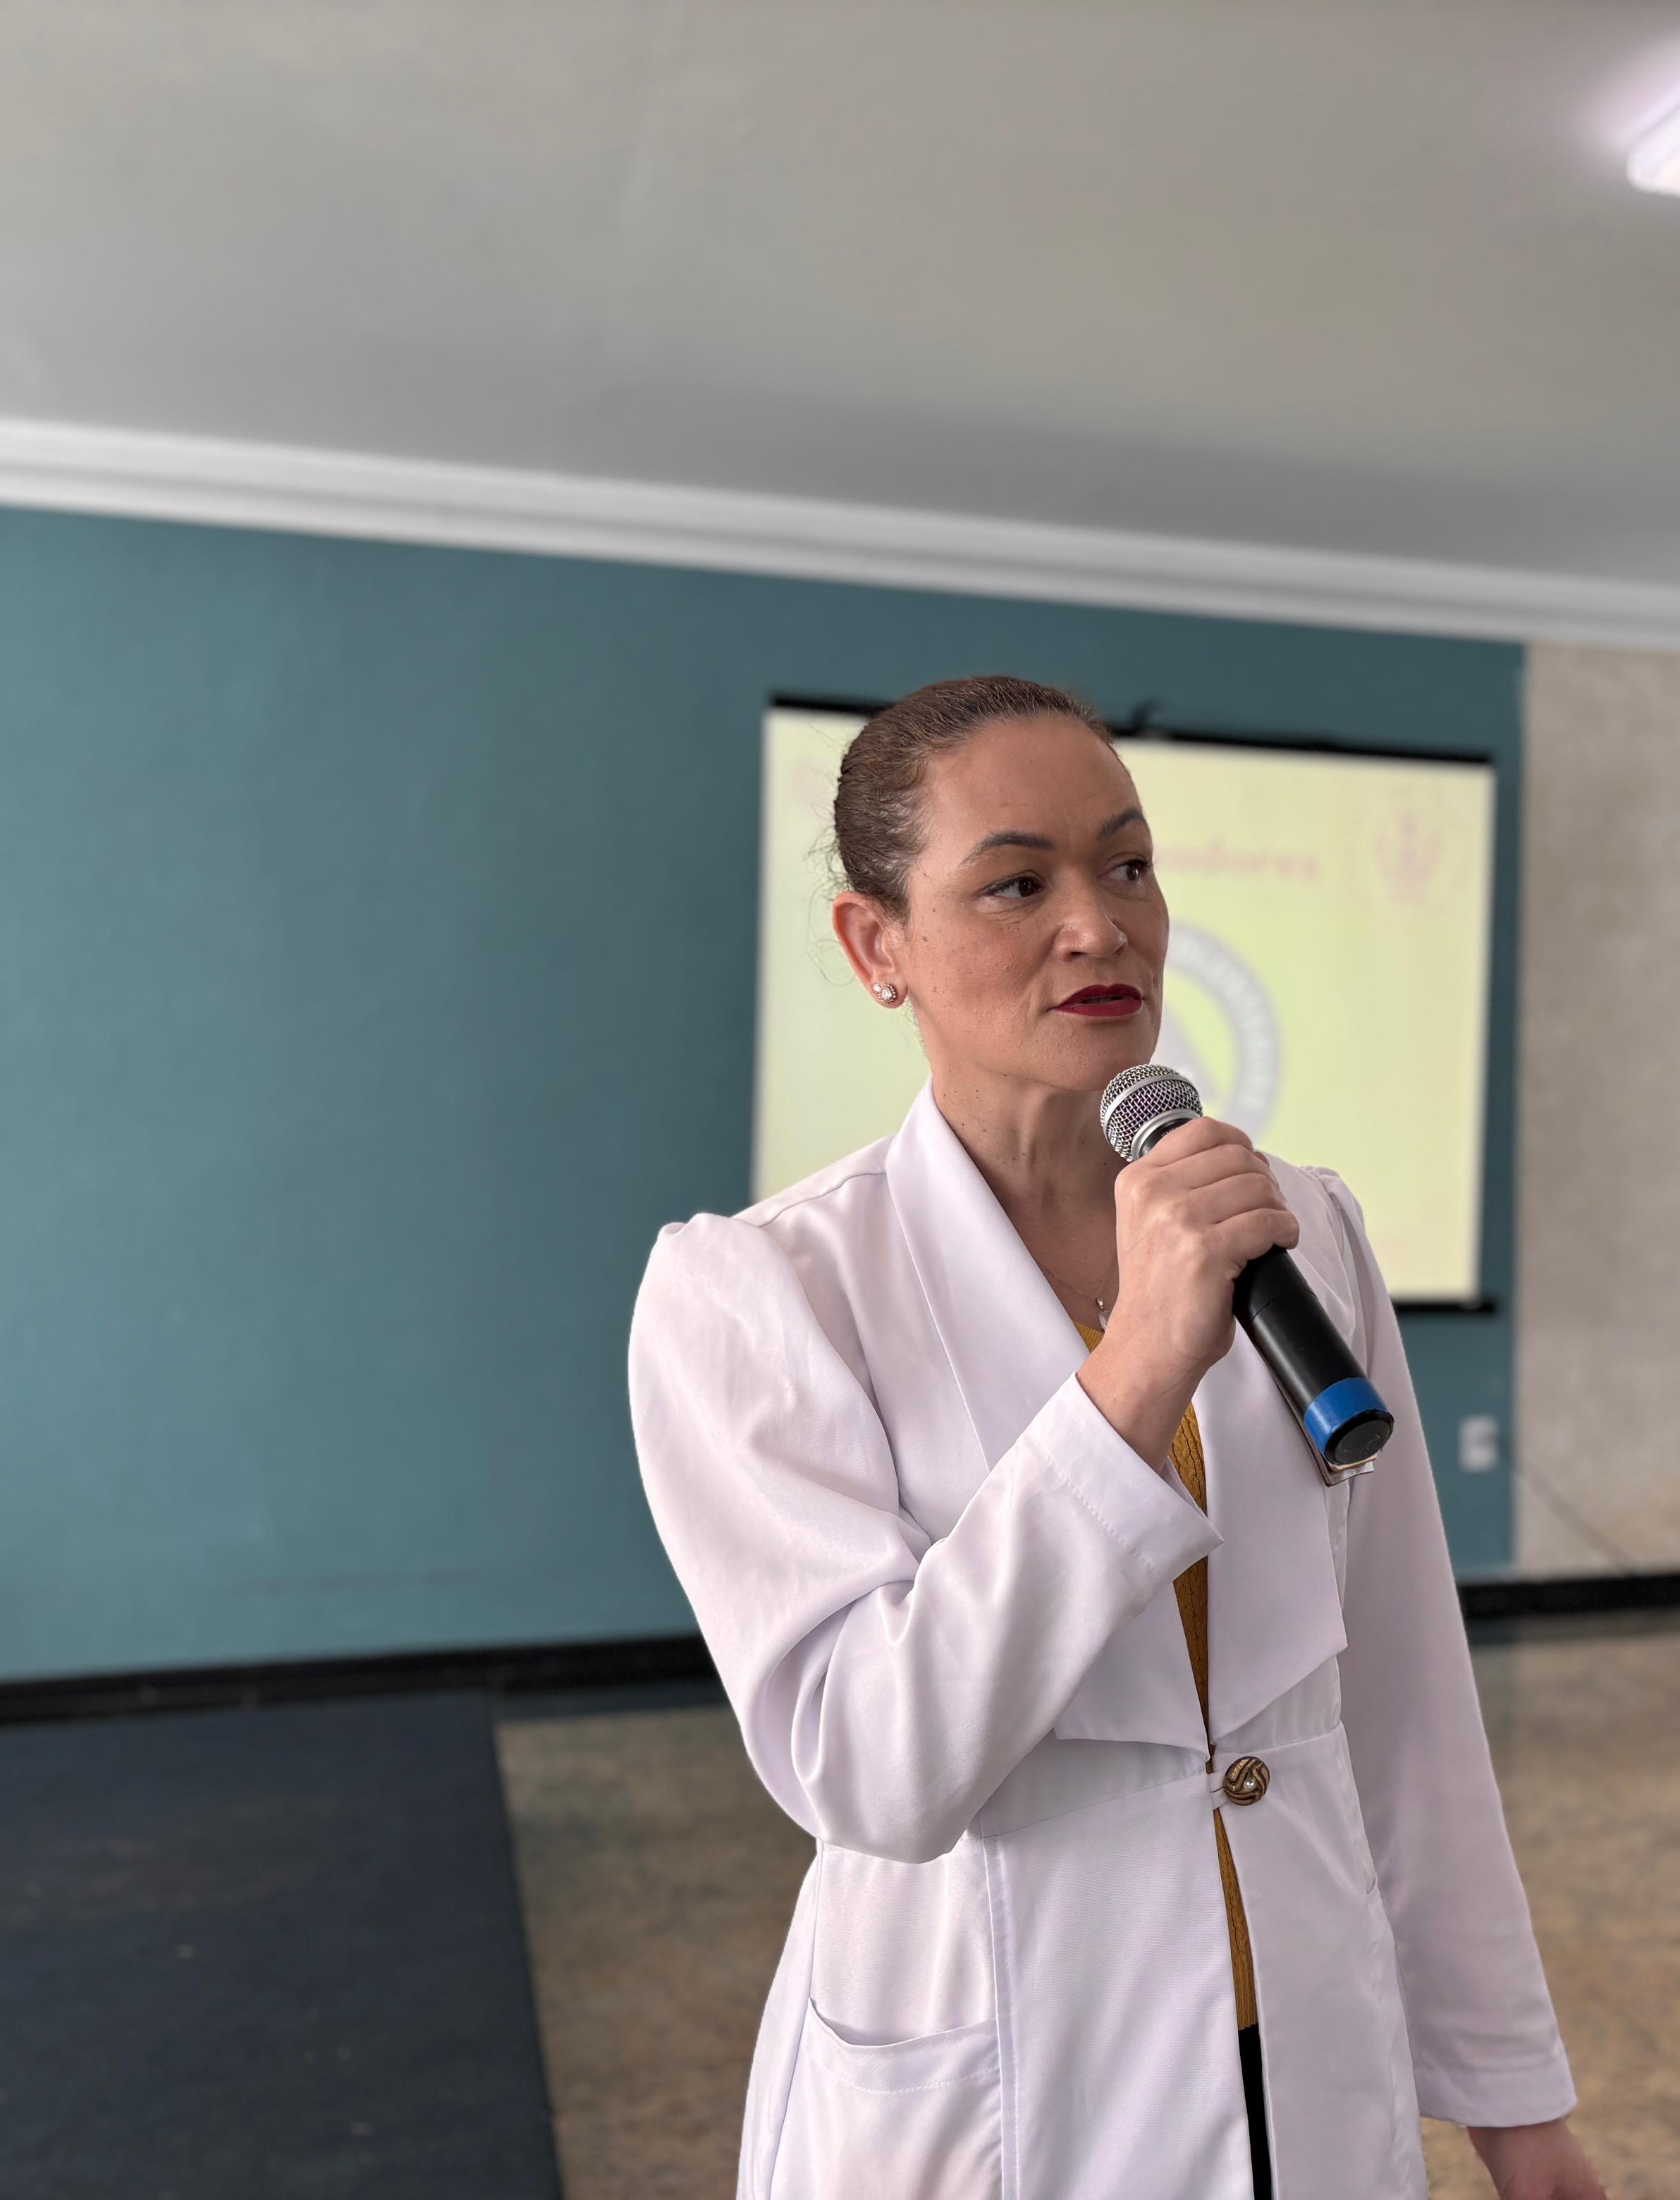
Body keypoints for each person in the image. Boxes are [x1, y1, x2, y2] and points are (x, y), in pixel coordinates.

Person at [628, 676, 1605, 2200]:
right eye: (1018, 884)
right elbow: (876, 1769)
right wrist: (1138, 1365)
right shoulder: (763, 1291)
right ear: (876, 946)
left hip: (1308, 2054)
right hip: (1004, 2079)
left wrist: (1514, 2103)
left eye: (1129, 865)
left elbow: (1405, 1702)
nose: (1101, 926)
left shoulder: (1301, 1226)